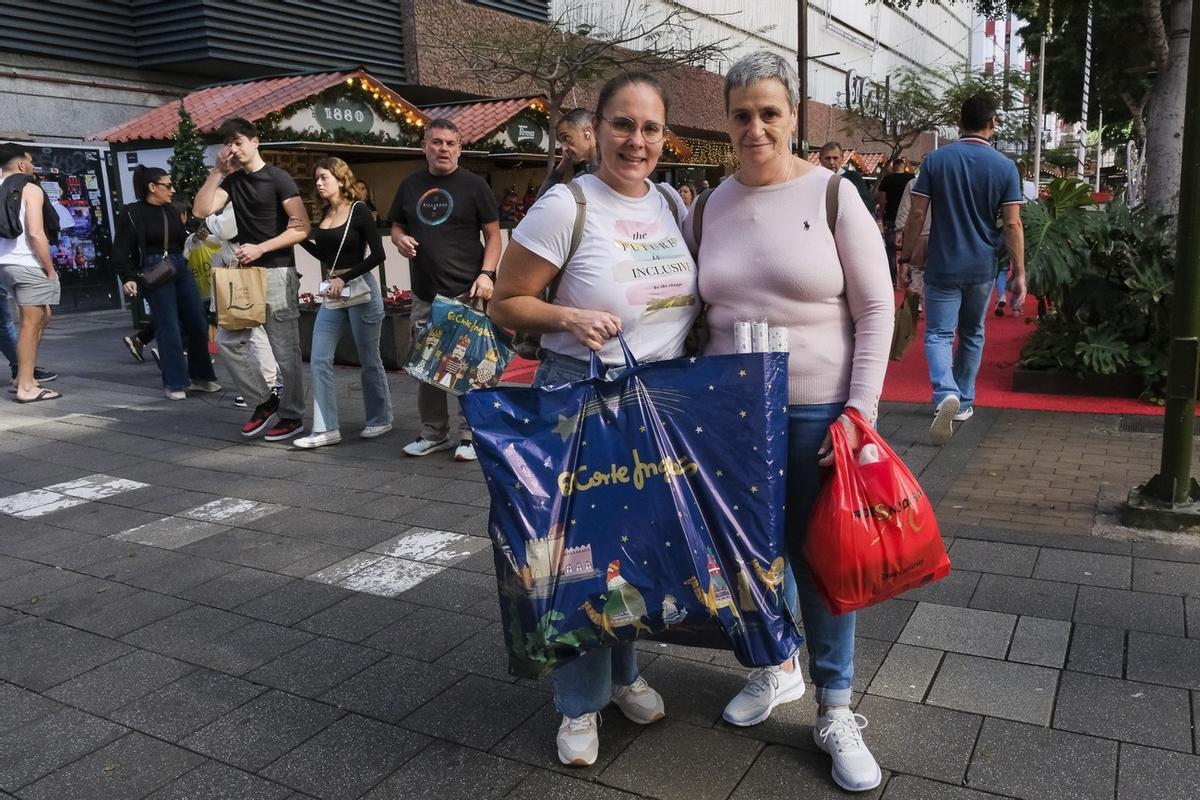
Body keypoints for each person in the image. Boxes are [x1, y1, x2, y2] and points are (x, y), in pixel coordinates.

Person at [685, 52, 892, 793]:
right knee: (749, 556)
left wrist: (859, 413)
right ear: (726, 119)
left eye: (769, 113)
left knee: (823, 560)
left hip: (818, 412)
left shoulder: (834, 194)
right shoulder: (705, 208)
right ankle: (777, 666)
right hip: (731, 415)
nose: (756, 128)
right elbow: (683, 308)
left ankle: (836, 707)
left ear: (792, 115)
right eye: (741, 114)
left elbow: (877, 309)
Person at [490, 72, 692, 769]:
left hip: (655, 402)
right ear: (596, 129)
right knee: (578, 558)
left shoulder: (670, 202)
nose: (637, 141)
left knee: (636, 551)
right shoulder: (564, 206)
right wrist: (570, 317)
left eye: (650, 128)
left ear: (665, 137)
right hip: (580, 397)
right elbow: (506, 302)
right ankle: (578, 703)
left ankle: (625, 673)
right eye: (623, 125)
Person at [901, 94, 1026, 445]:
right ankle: (964, 401)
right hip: (982, 267)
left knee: (939, 334)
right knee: (972, 333)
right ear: (993, 123)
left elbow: (917, 213)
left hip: (943, 264)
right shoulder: (1005, 167)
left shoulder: (936, 161)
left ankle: (945, 393)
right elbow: (1012, 224)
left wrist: (906, 257)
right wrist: (1019, 270)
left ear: (959, 121)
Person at [388, 118, 500, 462]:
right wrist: (399, 240)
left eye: (451, 143)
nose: (443, 149)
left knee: (471, 365)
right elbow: (396, 226)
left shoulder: (475, 185)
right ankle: (434, 433)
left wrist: (487, 274)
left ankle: (471, 434)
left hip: (469, 291)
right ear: (425, 146)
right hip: (426, 294)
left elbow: (493, 236)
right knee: (426, 366)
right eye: (436, 142)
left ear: (460, 149)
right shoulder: (410, 185)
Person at [193, 117, 311, 441]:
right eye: (228, 143)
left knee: (285, 351)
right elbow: (201, 211)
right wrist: (217, 172)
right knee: (228, 341)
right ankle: (264, 401)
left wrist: (261, 247)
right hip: (245, 276)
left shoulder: (278, 178)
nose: (233, 148)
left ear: (255, 141)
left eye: (239, 141)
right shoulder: (232, 182)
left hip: (277, 272)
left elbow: (301, 227)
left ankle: (292, 416)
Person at [294, 157, 392, 448]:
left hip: (361, 291)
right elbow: (326, 257)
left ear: (340, 179)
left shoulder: (358, 210)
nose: (319, 183)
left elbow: (378, 255)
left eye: (324, 177)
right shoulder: (325, 213)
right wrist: (300, 238)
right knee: (319, 359)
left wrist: (345, 278)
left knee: (369, 359)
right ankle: (326, 428)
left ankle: (380, 418)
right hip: (335, 294)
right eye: (316, 178)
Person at [112, 169, 219, 400]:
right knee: (168, 324)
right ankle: (175, 382)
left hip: (179, 265)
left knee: (197, 319)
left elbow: (180, 242)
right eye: (167, 185)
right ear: (152, 187)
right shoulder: (132, 212)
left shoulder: (172, 210)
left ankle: (201, 376)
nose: (172, 190)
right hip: (154, 269)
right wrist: (128, 277)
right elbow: (121, 249)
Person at [0, 142, 62, 402]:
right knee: (31, 322)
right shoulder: (29, 188)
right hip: (26, 261)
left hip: (4, 264)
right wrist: (50, 268)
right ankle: (25, 385)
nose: (33, 165)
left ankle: (23, 377)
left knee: (43, 314)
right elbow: (36, 233)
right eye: (30, 161)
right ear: (21, 164)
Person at [204, 203, 280, 408]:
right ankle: (267, 384)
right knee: (253, 330)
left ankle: (267, 385)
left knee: (252, 331)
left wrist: (209, 214)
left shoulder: (236, 201)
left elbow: (225, 229)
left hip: (242, 273)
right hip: (242, 271)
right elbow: (226, 236)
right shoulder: (239, 201)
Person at [536, 108, 599, 200]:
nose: (564, 148)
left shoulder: (613, 170)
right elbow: (543, 200)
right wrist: (563, 164)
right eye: (561, 142)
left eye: (566, 138)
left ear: (588, 131)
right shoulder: (584, 176)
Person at [875, 158, 913, 286]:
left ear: (893, 166)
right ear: (904, 166)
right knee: (909, 248)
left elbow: (882, 200)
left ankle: (892, 279)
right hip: (908, 218)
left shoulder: (887, 179)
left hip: (891, 216)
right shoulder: (911, 178)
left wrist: (881, 216)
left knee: (891, 249)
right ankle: (908, 278)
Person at [817, 142, 872, 210]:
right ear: (820, 159)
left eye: (835, 158)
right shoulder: (815, 179)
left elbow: (865, 203)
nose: (831, 162)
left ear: (842, 158)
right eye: (827, 158)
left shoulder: (854, 177)